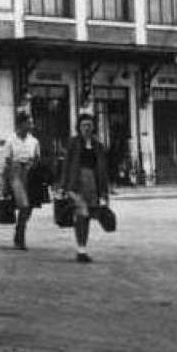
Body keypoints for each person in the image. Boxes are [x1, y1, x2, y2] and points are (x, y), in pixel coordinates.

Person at [61, 113, 111, 263]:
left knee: (87, 216)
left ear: (93, 127)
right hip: (76, 182)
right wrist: (64, 186)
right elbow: (67, 165)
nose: (87, 128)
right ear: (79, 127)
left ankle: (82, 248)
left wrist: (104, 192)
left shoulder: (98, 145)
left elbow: (102, 169)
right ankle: (81, 250)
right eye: (84, 125)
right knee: (82, 213)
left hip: (93, 184)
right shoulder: (73, 143)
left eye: (89, 125)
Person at [3, 113, 41, 249]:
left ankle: (19, 230)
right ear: (21, 124)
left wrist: (33, 166)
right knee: (23, 205)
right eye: (29, 123)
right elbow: (7, 162)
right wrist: (5, 184)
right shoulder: (10, 140)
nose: (31, 126)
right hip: (16, 172)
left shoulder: (34, 141)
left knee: (29, 207)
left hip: (30, 174)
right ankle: (20, 237)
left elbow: (37, 158)